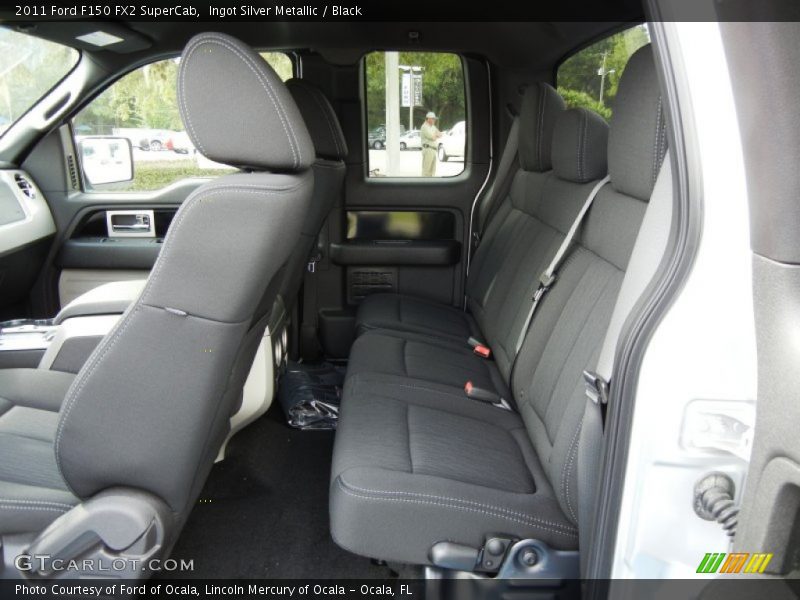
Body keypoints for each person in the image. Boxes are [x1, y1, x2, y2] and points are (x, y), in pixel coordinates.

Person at [420, 111, 442, 177]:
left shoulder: (432, 126)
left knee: (433, 170)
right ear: (429, 119)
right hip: (428, 149)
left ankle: (430, 184)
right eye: (433, 119)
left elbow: (440, 134)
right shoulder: (424, 127)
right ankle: (424, 185)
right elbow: (433, 138)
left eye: (434, 119)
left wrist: (436, 135)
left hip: (433, 149)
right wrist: (435, 135)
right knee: (426, 170)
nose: (434, 120)